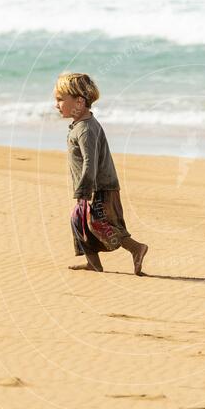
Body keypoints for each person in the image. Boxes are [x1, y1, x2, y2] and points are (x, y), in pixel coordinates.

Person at [54, 72, 148, 275]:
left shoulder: (86, 129)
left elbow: (90, 161)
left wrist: (85, 190)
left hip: (100, 187)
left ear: (79, 102)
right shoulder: (79, 126)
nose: (56, 104)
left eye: (61, 100)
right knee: (78, 221)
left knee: (99, 223)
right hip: (90, 187)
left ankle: (136, 248)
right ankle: (93, 263)